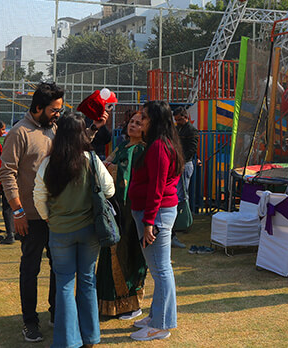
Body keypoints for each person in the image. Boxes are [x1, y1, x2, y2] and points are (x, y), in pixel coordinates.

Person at [33, 112, 114, 348]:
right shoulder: (91, 159)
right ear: (82, 133)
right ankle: (90, 337)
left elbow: (38, 195)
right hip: (89, 229)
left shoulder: (49, 162)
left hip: (59, 230)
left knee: (65, 283)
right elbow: (109, 190)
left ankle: (68, 340)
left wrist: (49, 218)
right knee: (87, 280)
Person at [0, 82, 64, 343]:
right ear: (38, 107)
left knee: (58, 267)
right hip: (31, 218)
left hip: (56, 216)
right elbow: (7, 173)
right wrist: (17, 212)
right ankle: (30, 321)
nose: (58, 113)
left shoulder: (55, 130)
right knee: (30, 269)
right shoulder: (20, 132)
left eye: (60, 109)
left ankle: (56, 312)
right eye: (54, 109)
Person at [127, 100, 183, 341]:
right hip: (155, 212)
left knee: (161, 270)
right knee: (159, 269)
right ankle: (156, 316)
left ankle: (161, 325)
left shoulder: (160, 146)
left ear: (156, 121)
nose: (142, 122)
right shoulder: (160, 143)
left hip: (156, 214)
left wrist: (149, 221)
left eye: (145, 118)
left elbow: (157, 187)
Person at [98, 111, 147, 319]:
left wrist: (111, 169)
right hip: (112, 208)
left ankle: (130, 304)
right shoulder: (121, 146)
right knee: (109, 253)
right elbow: (105, 166)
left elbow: (127, 177)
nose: (133, 126)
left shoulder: (141, 150)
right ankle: (107, 303)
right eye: (132, 122)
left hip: (128, 212)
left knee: (126, 254)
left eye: (138, 123)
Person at [171, 106, 199, 249]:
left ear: (185, 116)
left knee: (182, 194)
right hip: (181, 162)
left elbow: (191, 149)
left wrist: (183, 161)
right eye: (176, 120)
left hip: (185, 163)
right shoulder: (180, 129)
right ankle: (181, 221)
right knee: (179, 193)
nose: (178, 122)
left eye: (179, 119)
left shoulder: (191, 130)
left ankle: (183, 221)